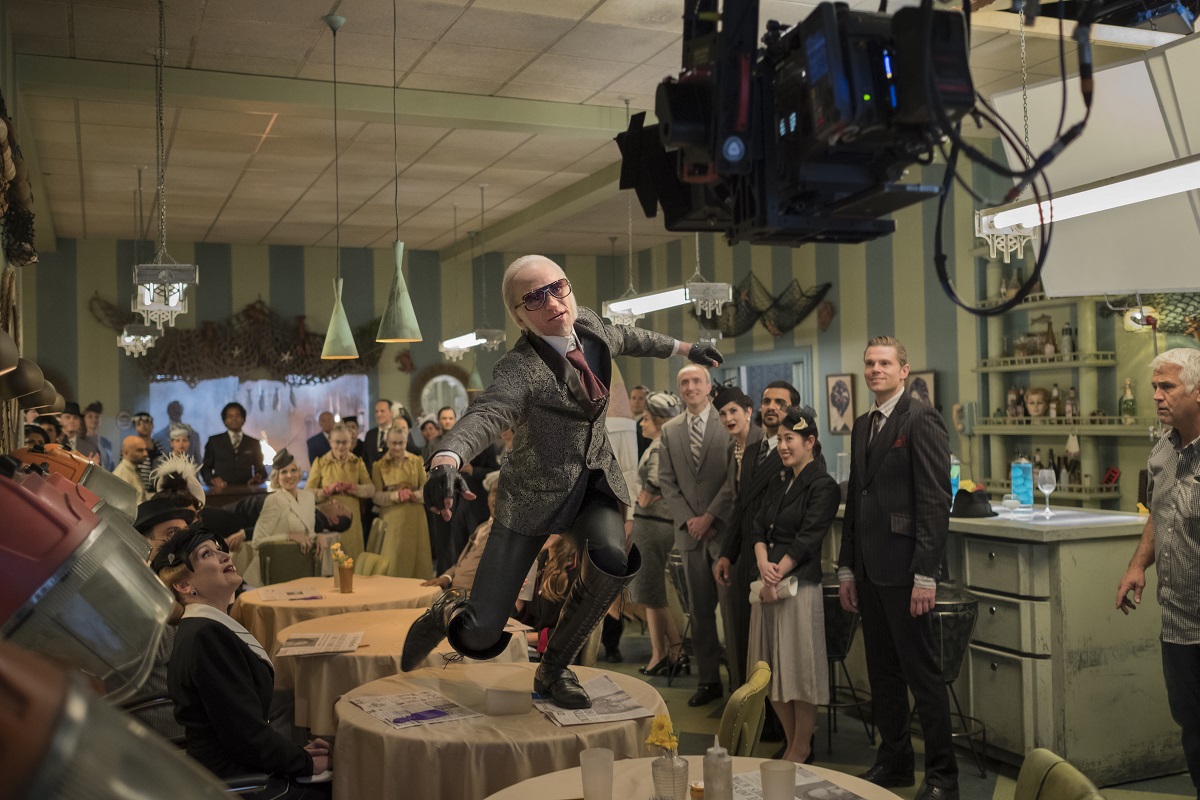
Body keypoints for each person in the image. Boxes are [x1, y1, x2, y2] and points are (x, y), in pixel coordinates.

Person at [401, 254, 722, 709]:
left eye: (557, 288)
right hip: (531, 496)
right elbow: (488, 413)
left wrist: (686, 349)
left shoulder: (588, 324)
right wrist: (445, 460)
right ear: (519, 317)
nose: (553, 302)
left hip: (593, 482)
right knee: (480, 634)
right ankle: (446, 610)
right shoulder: (519, 368)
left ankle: (554, 669)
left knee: (612, 559)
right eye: (534, 298)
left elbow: (632, 337)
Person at [838, 335, 955, 800]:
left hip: (907, 571)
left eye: (885, 363)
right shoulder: (862, 424)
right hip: (869, 569)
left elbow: (935, 500)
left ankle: (943, 777)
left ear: (904, 370)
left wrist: (926, 573)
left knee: (923, 678)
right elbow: (857, 499)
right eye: (869, 363)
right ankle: (895, 761)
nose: (875, 370)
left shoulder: (920, 418)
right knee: (883, 675)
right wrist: (847, 568)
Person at [151, 526, 332, 798]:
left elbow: (243, 730)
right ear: (184, 585)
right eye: (207, 554)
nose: (224, 555)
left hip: (238, 769)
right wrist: (304, 761)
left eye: (219, 549)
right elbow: (246, 737)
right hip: (236, 783)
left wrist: (296, 753)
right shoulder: (206, 636)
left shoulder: (203, 628)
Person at [1115, 347, 1200, 796]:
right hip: (1179, 621)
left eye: (1167, 386)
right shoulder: (1164, 449)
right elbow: (1159, 512)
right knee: (1193, 728)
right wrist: (1137, 564)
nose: (1156, 396)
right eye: (1154, 387)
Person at [714, 381, 804, 746]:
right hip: (749, 558)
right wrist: (727, 553)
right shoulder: (752, 452)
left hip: (781, 563)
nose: (771, 407)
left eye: (780, 402)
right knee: (753, 645)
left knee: (781, 651)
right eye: (766, 400)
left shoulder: (799, 450)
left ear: (793, 410)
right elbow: (741, 507)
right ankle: (757, 716)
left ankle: (788, 730)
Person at [749, 407, 839, 764]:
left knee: (799, 671)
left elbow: (808, 539)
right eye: (781, 439)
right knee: (770, 671)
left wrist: (776, 574)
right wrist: (762, 564)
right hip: (767, 584)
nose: (783, 446)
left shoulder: (823, 486)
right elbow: (758, 525)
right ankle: (791, 743)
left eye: (790, 439)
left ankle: (802, 746)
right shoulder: (780, 479)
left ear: (810, 441)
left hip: (798, 587)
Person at [658, 363, 737, 707]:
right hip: (689, 535)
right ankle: (709, 681)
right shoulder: (670, 430)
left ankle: (740, 682)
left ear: (708, 387)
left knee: (731, 612)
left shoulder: (728, 423)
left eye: (696, 381)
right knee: (700, 613)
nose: (690, 387)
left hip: (724, 532)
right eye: (684, 382)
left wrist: (710, 517)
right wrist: (690, 520)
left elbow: (733, 478)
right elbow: (666, 480)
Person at [627, 390, 688, 678]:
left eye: (647, 419)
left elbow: (655, 481)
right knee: (653, 594)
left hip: (652, 524)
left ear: (661, 422)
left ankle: (660, 655)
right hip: (657, 525)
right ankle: (673, 651)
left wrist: (644, 497)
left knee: (652, 595)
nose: (642, 424)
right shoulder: (665, 444)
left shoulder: (659, 447)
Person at [708, 384, 759, 690]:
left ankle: (759, 697)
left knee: (757, 628)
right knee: (737, 622)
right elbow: (737, 503)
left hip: (762, 548)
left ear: (748, 412)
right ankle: (740, 693)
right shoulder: (733, 448)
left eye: (733, 411)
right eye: (723, 414)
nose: (728, 418)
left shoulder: (763, 443)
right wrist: (727, 553)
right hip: (740, 545)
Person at [371, 422, 433, 579]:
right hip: (391, 518)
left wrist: (414, 495)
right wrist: (396, 496)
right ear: (387, 443)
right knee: (392, 558)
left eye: (401, 443)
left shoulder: (417, 461)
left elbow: (427, 490)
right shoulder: (378, 466)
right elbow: (376, 496)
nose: (397, 447)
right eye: (394, 443)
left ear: (406, 442)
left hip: (415, 516)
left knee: (417, 558)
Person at [422, 470, 500, 594]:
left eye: (504, 494)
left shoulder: (508, 535)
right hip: (453, 592)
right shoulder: (481, 527)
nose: (498, 499)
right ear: (488, 497)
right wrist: (445, 578)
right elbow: (462, 563)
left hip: (472, 597)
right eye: (495, 492)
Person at [307, 423, 373, 559]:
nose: (341, 446)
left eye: (345, 442)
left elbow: (371, 490)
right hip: (330, 520)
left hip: (352, 519)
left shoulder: (357, 462)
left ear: (351, 442)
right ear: (330, 442)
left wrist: (353, 488)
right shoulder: (320, 463)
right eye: (337, 442)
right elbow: (307, 493)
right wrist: (326, 491)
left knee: (352, 557)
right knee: (332, 559)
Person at [256, 449, 327, 561]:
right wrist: (289, 537)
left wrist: (319, 536)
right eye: (284, 472)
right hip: (278, 562)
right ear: (277, 477)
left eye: (293, 470)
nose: (289, 475)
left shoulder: (308, 497)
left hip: (303, 561)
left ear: (299, 473)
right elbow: (257, 541)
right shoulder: (273, 500)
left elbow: (308, 532)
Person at [201, 402, 265, 488]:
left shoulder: (253, 443)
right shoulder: (214, 441)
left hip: (247, 489)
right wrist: (212, 479)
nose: (234, 419)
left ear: (243, 419)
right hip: (221, 490)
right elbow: (205, 468)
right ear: (225, 420)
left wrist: (258, 477)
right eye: (230, 416)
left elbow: (261, 469)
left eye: (237, 416)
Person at [132, 411, 166, 496]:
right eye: (139, 424)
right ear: (135, 427)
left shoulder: (158, 446)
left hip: (157, 490)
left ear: (152, 425)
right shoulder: (131, 446)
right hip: (138, 491)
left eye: (146, 422)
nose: (143, 426)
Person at [363, 399, 396, 476]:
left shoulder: (398, 433)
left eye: (382, 411)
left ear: (391, 413)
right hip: (373, 478)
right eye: (376, 411)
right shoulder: (370, 435)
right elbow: (365, 459)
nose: (378, 414)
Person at [114, 434, 151, 504]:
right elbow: (124, 506)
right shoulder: (121, 475)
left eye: (145, 450)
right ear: (126, 453)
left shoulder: (134, 470)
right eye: (140, 450)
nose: (145, 454)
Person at [83, 401, 114, 470]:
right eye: (90, 417)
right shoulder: (80, 441)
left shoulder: (107, 442)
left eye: (96, 417)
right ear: (84, 419)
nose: (94, 420)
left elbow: (111, 464)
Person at [630, 384, 652, 458]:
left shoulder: (650, 424)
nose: (636, 401)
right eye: (633, 398)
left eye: (641, 398)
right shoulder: (625, 422)